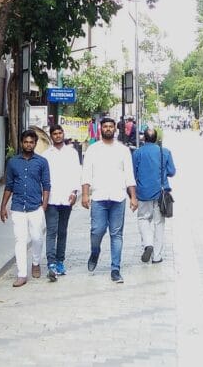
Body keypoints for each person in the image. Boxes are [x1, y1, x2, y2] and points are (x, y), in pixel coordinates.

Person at [81, 116, 138, 284]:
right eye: (105, 126)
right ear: (100, 129)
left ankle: (115, 269)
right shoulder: (93, 150)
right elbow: (86, 174)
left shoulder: (123, 150)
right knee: (96, 231)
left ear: (115, 129)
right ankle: (95, 252)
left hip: (118, 197)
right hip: (98, 197)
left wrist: (133, 197)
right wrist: (85, 194)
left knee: (116, 234)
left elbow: (129, 176)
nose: (107, 129)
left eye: (110, 126)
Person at [0, 130, 50, 287]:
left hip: (36, 206)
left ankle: (36, 262)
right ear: (21, 143)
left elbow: (46, 185)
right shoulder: (13, 162)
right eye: (26, 142)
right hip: (18, 207)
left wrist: (44, 204)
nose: (28, 144)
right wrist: (3, 207)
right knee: (20, 240)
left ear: (35, 144)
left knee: (37, 238)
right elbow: (9, 186)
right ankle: (22, 274)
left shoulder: (42, 162)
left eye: (31, 142)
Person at [132, 127, 176, 264]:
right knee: (159, 224)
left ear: (143, 138)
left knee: (143, 219)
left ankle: (148, 244)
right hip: (161, 193)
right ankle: (157, 256)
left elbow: (133, 174)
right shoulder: (165, 152)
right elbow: (172, 171)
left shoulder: (137, 153)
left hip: (143, 193)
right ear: (156, 138)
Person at [43, 124, 81, 281]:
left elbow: (77, 173)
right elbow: (43, 177)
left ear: (63, 134)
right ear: (51, 136)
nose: (58, 136)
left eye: (60, 133)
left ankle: (60, 261)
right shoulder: (46, 155)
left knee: (62, 231)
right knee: (51, 231)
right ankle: (51, 263)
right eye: (55, 133)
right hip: (51, 198)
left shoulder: (72, 153)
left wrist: (75, 192)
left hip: (67, 197)